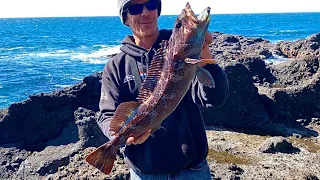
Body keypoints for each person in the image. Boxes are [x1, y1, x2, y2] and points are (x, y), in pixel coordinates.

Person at [96, 0, 229, 179]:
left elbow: (214, 98)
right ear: (125, 19)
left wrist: (204, 52)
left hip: (193, 171)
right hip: (145, 174)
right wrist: (120, 137)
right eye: (135, 9)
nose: (145, 13)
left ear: (157, 11)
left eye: (150, 5)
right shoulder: (115, 67)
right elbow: (106, 115)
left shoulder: (176, 51)